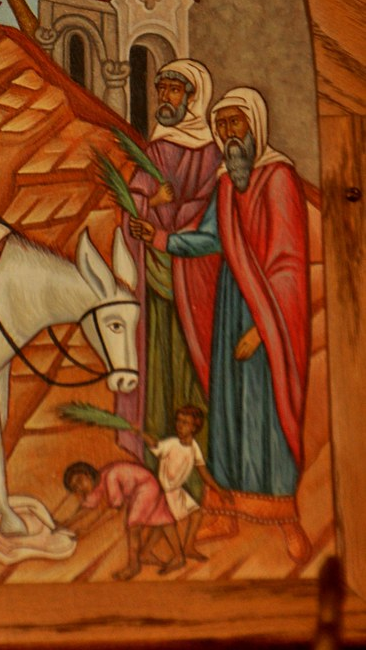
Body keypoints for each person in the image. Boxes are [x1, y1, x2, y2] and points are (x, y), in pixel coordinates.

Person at [130, 87, 311, 561]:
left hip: (268, 314)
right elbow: (208, 237)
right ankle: (224, 510)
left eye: (237, 124)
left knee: (266, 414)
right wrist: (160, 238)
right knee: (228, 410)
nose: (230, 135)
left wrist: (263, 330)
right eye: (223, 125)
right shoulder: (228, 183)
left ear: (256, 125)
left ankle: (286, 518)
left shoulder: (279, 178)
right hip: (231, 303)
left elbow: (289, 264)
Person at [117, 60, 221, 473]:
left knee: (192, 357)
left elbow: (211, 211)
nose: (165, 98)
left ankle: (202, 463)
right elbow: (134, 199)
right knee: (155, 359)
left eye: (174, 91)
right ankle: (156, 456)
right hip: (155, 273)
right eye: (162, 90)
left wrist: (169, 221)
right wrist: (150, 203)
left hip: (193, 275)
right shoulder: (156, 148)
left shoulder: (212, 151)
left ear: (193, 98)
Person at [57, 460, 183, 580]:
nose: (80, 488)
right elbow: (86, 508)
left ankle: (134, 566)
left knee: (134, 524)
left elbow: (114, 510)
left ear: (88, 474)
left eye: (79, 481)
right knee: (163, 520)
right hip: (143, 486)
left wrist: (89, 529)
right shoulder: (97, 485)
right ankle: (176, 556)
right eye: (76, 488)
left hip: (146, 486)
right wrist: (66, 524)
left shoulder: (110, 477)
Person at [135, 405, 228, 561]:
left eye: (185, 422)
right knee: (165, 523)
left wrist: (218, 489)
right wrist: (140, 433)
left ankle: (187, 547)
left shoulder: (194, 447)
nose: (179, 425)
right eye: (178, 421)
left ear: (194, 427)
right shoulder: (172, 443)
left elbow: (203, 471)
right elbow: (155, 445)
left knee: (194, 514)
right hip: (166, 490)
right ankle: (147, 552)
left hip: (176, 490)